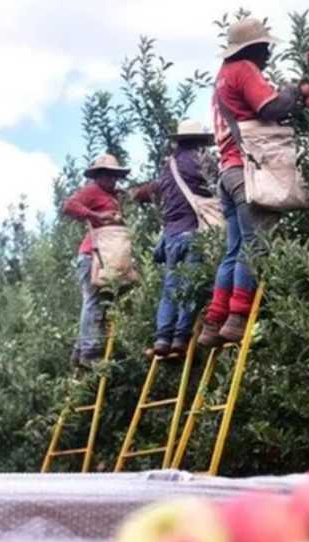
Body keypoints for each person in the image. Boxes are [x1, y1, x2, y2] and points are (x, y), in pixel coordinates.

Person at [199, 17, 299, 347]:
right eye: (265, 47)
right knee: (255, 247)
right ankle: (238, 316)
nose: (269, 54)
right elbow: (270, 107)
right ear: (253, 48)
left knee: (234, 249)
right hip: (248, 171)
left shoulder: (221, 78)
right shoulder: (243, 69)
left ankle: (214, 321)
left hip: (227, 173)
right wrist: (294, 93)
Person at [129, 120, 217, 358]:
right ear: (199, 142)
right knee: (189, 286)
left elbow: (149, 191)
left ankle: (161, 339)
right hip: (192, 232)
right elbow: (217, 184)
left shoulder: (168, 166)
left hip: (170, 237)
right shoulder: (201, 161)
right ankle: (180, 338)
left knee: (170, 288)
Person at [61, 154, 130, 366]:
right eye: (108, 175)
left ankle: (80, 350)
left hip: (104, 256)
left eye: (115, 176)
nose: (112, 179)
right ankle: (89, 351)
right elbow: (68, 206)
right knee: (93, 301)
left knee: (101, 301)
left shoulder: (112, 196)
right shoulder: (92, 191)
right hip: (92, 255)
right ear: (98, 176)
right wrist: (95, 216)